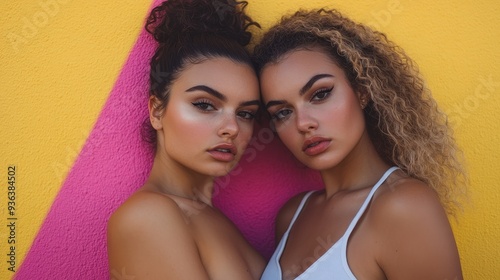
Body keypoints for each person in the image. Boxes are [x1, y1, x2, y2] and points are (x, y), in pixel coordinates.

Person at [253, 8, 467, 280]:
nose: (303, 123)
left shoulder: (404, 206)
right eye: (282, 112)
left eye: (320, 94)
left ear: (362, 91)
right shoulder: (292, 215)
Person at [107, 0, 265, 279]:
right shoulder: (147, 217)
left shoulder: (213, 218)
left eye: (245, 113)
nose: (231, 128)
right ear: (157, 111)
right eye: (205, 104)